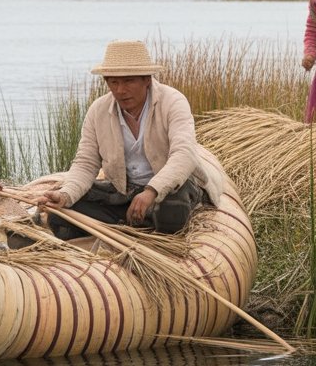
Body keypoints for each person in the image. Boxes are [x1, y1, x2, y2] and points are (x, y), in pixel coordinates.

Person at [33, 40, 226, 240]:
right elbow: (86, 163)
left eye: (129, 81)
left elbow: (184, 154)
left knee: (171, 211)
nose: (120, 90)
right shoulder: (98, 111)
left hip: (172, 187)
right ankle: (129, 224)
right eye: (114, 82)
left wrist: (152, 190)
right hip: (126, 190)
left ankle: (126, 224)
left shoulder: (172, 102)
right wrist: (66, 195)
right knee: (62, 211)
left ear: (147, 80)